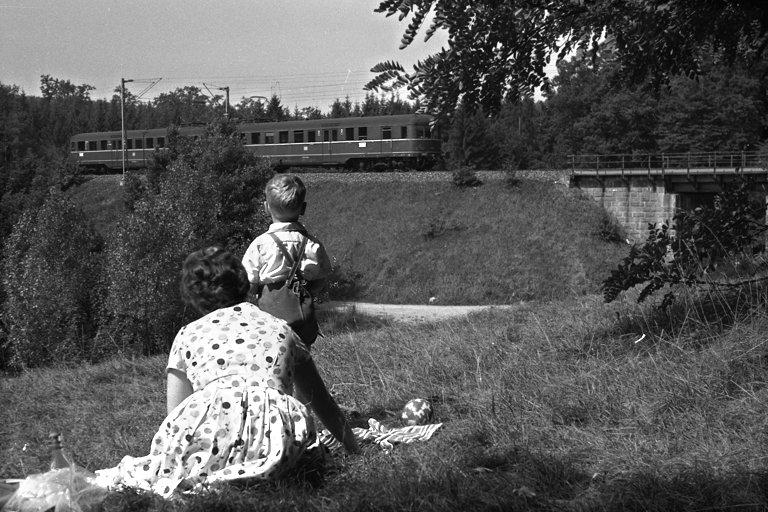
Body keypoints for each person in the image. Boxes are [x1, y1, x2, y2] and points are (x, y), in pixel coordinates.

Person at [95, 247, 358, 497]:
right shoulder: (280, 327)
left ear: (193, 298)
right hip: (277, 439)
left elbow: (176, 415)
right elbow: (322, 401)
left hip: (211, 434)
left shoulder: (188, 334)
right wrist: (354, 449)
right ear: (244, 284)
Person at [241, 174, 331, 346]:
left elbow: (249, 285)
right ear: (303, 208)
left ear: (266, 208)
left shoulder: (260, 244)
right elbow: (320, 281)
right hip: (302, 319)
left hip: (269, 318)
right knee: (301, 356)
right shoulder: (313, 244)